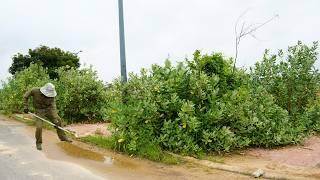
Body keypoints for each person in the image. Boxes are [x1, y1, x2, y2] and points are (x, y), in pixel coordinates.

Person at [23, 83, 72, 150]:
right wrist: (26, 106)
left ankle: (63, 138)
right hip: (39, 111)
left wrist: (55, 119)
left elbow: (53, 107)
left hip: (49, 110)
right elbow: (25, 96)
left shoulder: (52, 97)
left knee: (58, 121)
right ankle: (38, 143)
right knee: (39, 127)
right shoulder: (35, 90)